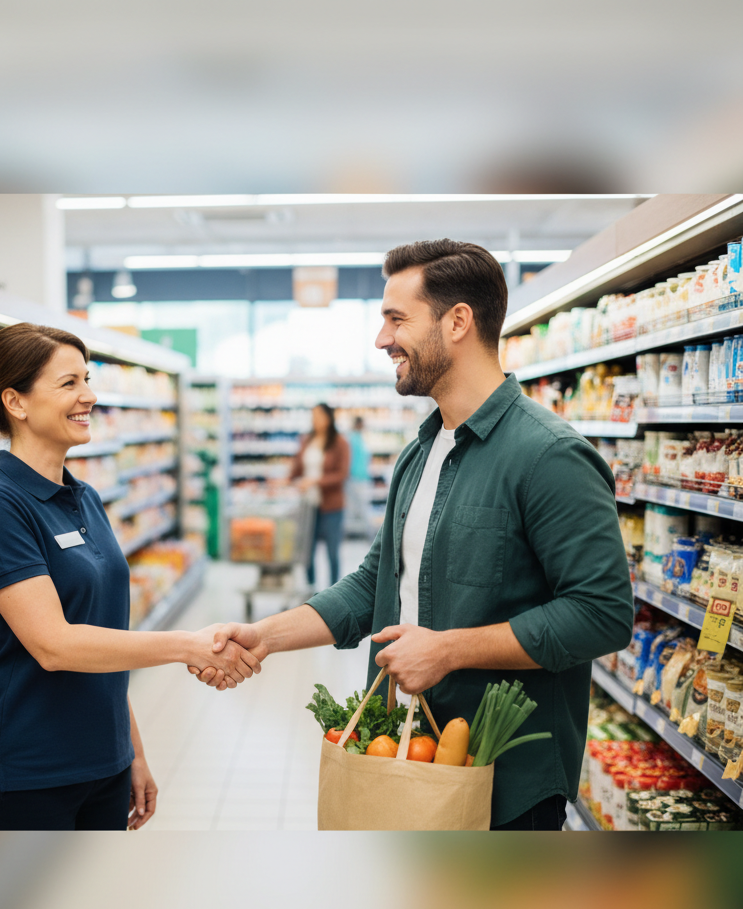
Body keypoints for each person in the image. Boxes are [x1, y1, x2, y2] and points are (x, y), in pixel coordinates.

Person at [196, 239, 633, 830]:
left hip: (504, 784)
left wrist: (448, 649)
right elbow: (374, 583)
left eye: (396, 319)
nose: (382, 340)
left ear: (458, 322)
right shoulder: (421, 453)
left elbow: (602, 613)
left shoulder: (548, 456)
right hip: (405, 759)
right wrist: (265, 636)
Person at [0, 323, 259, 831]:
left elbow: (106, 640)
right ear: (17, 402)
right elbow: (55, 645)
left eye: (88, 380)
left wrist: (131, 750)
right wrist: (187, 645)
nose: (89, 396)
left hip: (103, 764)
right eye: (69, 383)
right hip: (27, 775)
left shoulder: (86, 499)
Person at [291, 402, 350, 588]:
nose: (314, 419)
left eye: (318, 415)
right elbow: (296, 468)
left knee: (332, 552)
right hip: (309, 504)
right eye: (312, 415)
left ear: (328, 418)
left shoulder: (340, 442)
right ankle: (310, 589)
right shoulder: (307, 440)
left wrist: (316, 481)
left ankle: (334, 591)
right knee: (307, 549)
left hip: (332, 505)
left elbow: (342, 475)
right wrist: (290, 479)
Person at [345, 415, 372, 540]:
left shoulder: (359, 438)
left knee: (358, 507)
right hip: (355, 478)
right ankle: (369, 534)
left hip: (360, 478)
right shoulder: (353, 439)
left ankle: (368, 534)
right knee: (359, 507)